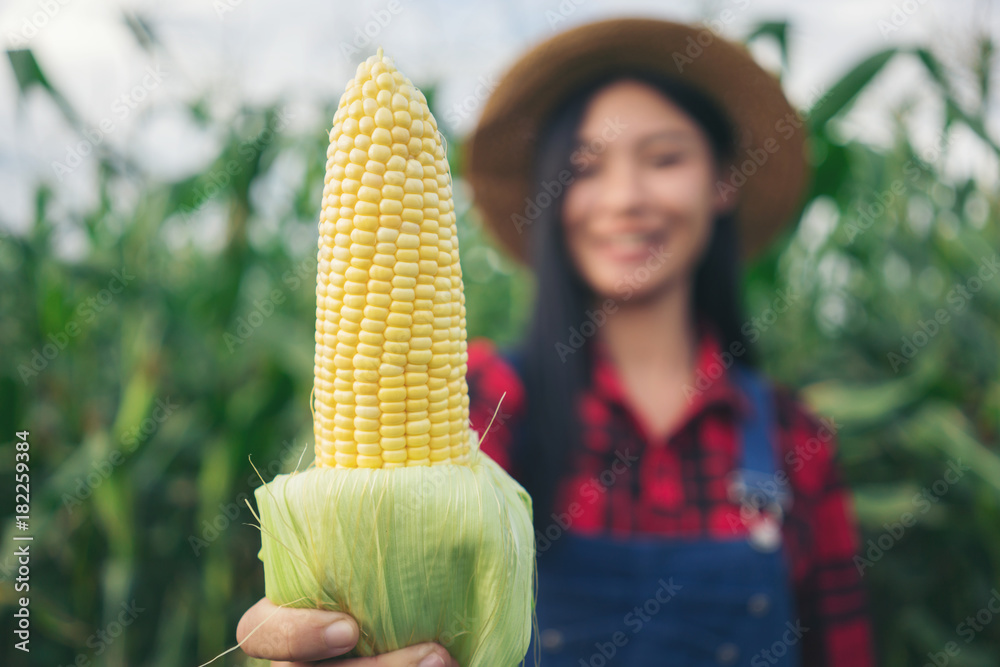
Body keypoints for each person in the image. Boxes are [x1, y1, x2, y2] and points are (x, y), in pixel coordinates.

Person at [237, 17, 875, 666]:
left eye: (664, 158)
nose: (625, 197)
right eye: (585, 166)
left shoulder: (798, 442)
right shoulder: (482, 406)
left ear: (722, 183)